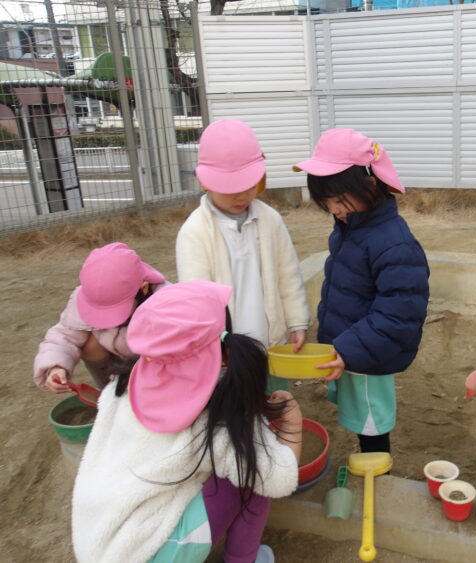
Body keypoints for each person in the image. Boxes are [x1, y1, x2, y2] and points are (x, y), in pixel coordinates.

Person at [72, 280, 301, 563]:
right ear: (225, 350)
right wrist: (292, 426)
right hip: (144, 553)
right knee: (251, 469)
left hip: (97, 541)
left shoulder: (120, 386)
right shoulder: (217, 419)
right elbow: (277, 479)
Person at [292, 128, 430, 454]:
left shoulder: (394, 243)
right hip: (353, 346)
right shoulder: (351, 227)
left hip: (369, 352)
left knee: (372, 421)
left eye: (339, 201)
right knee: (360, 414)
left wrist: (348, 349)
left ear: (369, 186)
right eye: (327, 203)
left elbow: (398, 315)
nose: (334, 210)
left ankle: (378, 470)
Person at [176, 118, 310, 392]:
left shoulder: (270, 220)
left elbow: (288, 275)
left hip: (270, 344)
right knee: (234, 409)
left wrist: (297, 321)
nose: (240, 196)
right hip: (227, 353)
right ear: (204, 182)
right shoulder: (195, 232)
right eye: (229, 189)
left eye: (248, 186)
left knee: (274, 401)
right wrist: (216, 343)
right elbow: (196, 301)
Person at [33, 242, 167, 393]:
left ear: (143, 288)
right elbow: (64, 335)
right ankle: (108, 392)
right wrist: (55, 367)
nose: (107, 319)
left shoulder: (166, 304)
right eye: (98, 310)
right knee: (90, 344)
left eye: (115, 309)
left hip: (155, 366)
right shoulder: (85, 297)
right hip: (116, 362)